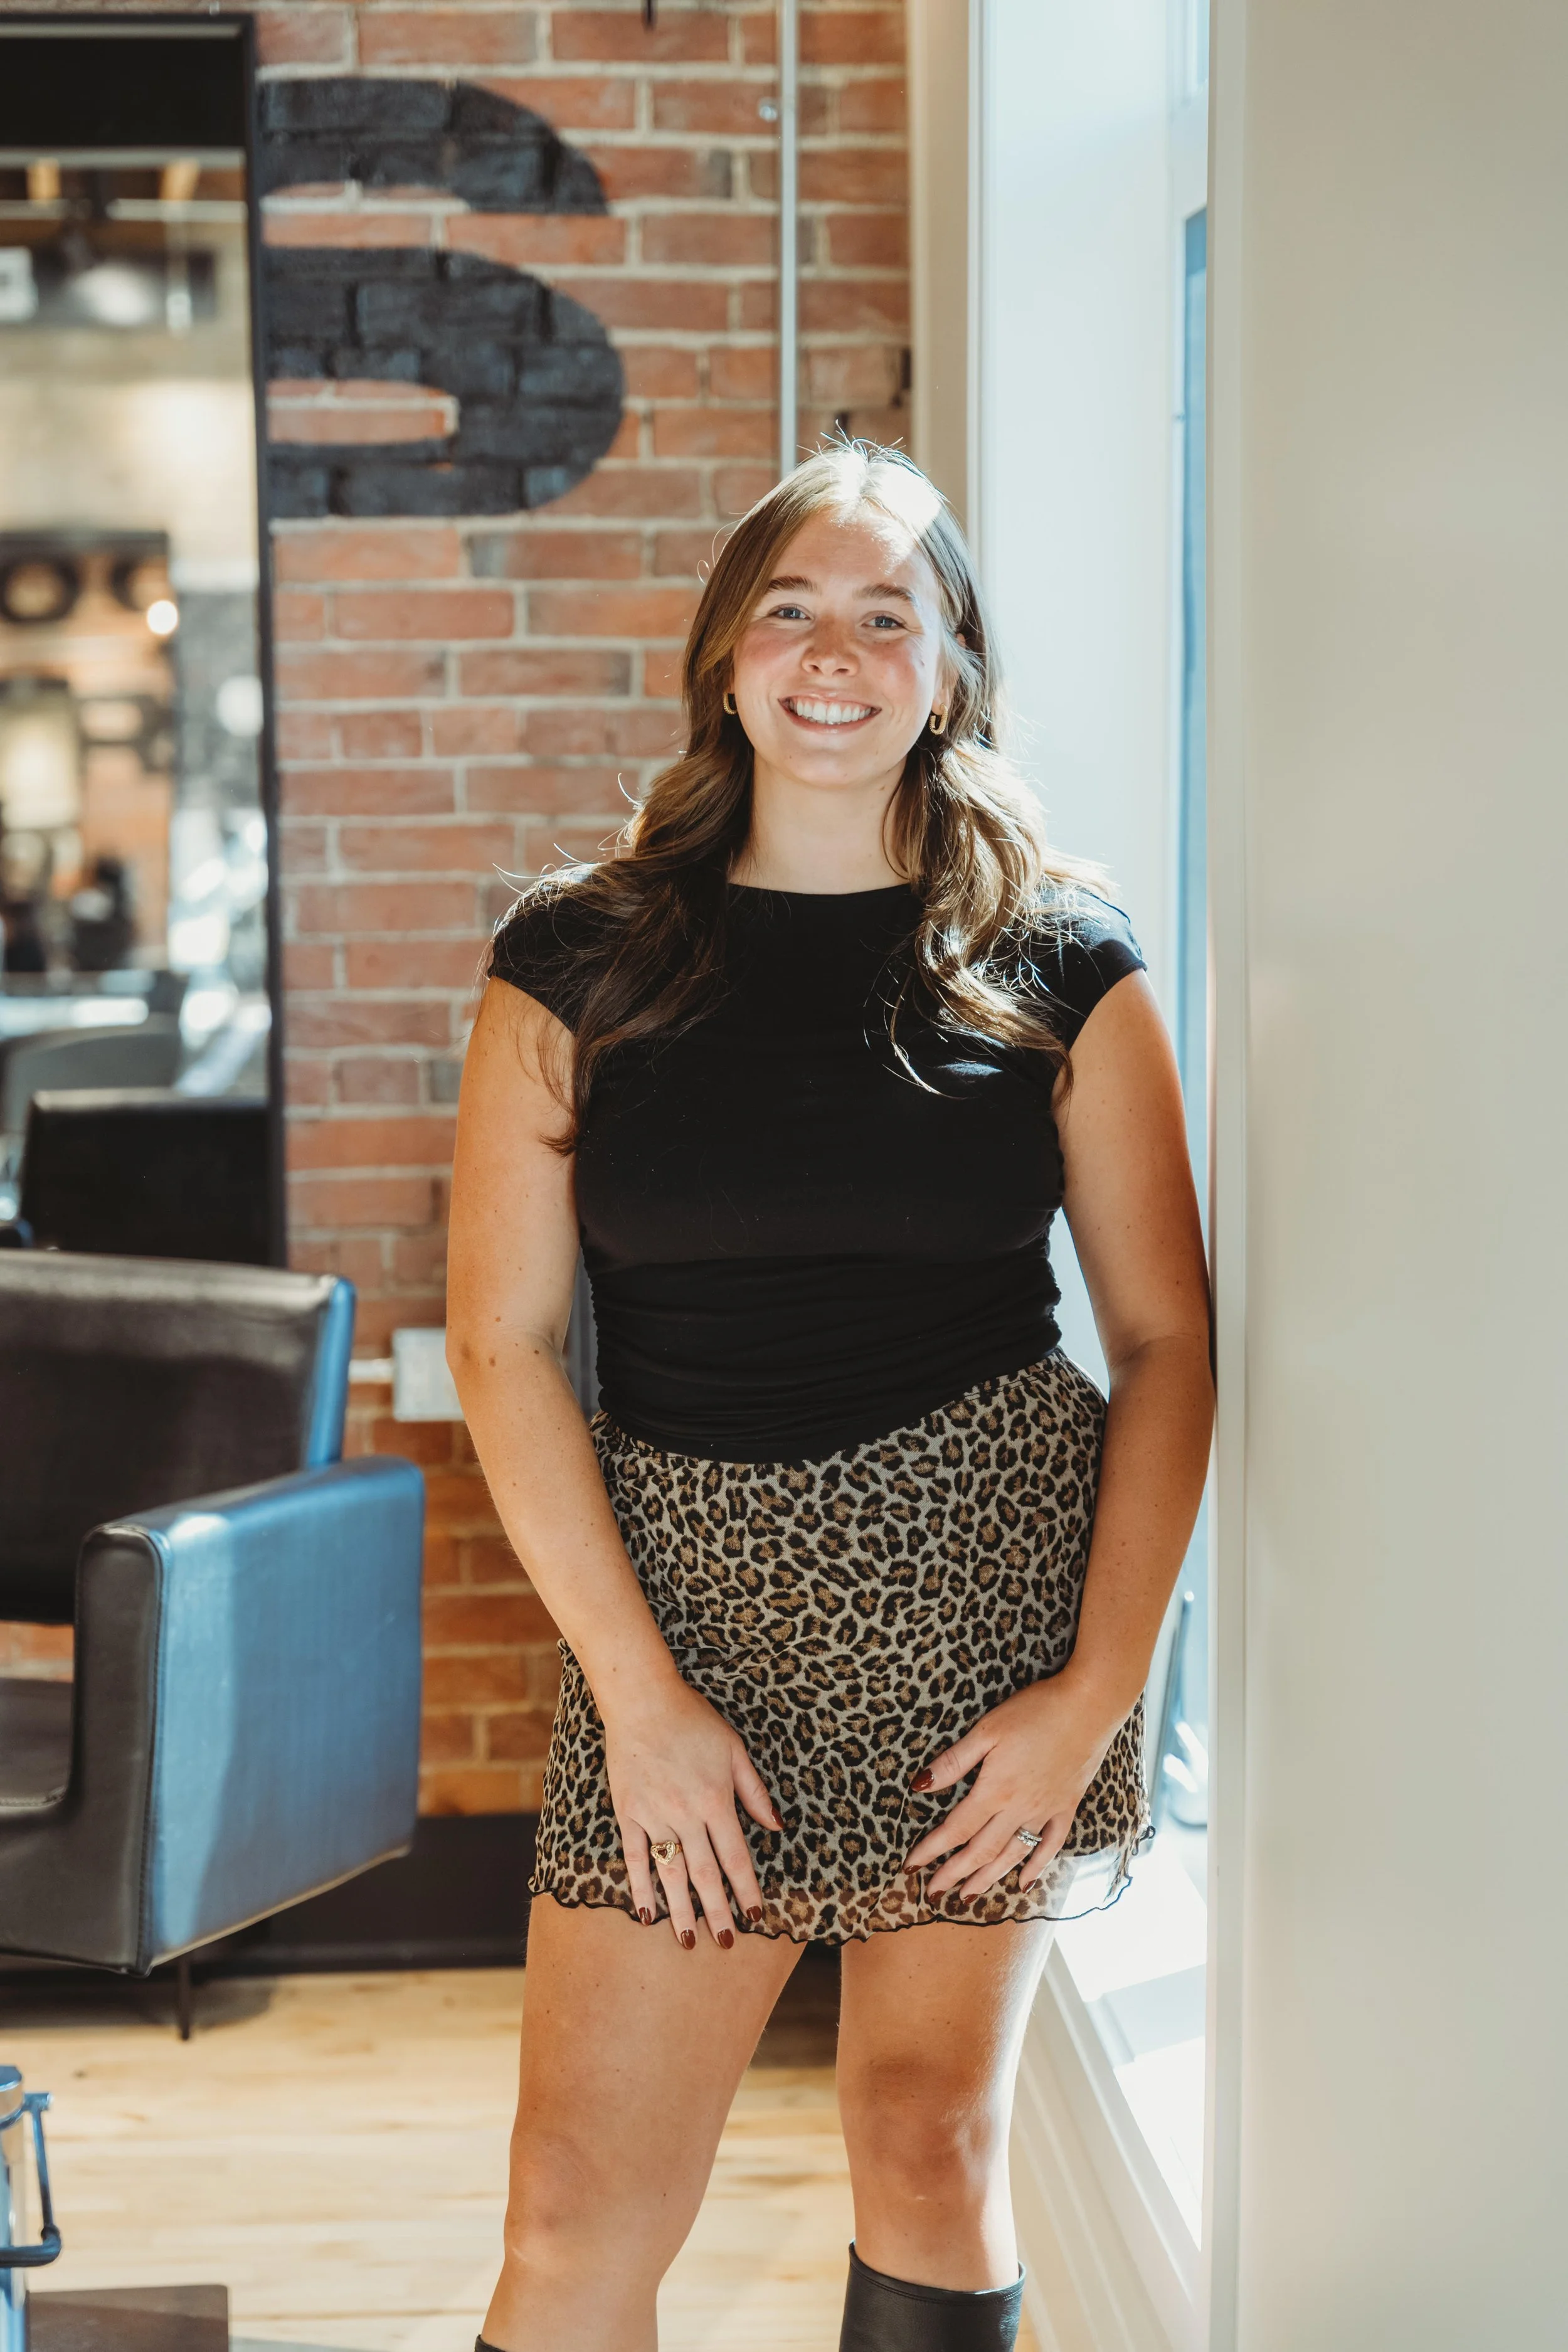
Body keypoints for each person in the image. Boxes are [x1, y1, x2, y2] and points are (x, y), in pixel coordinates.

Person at [446, 443, 1213, 2352]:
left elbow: (1169, 1350)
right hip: (676, 1623)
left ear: (949, 669)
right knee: (570, 2208)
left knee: (926, 2136)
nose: (833, 652)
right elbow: (503, 1347)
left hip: (985, 1601)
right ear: (724, 657)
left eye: (889, 613)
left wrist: (1086, 1702)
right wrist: (641, 1701)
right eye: (789, 607)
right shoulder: (577, 957)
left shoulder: (1060, 960)